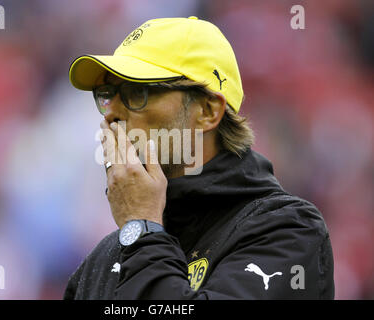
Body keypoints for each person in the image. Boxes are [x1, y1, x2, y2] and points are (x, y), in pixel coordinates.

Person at [64, 16, 334, 299]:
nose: (111, 114)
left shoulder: (288, 231)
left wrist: (141, 227)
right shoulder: (103, 261)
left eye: (137, 92)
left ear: (207, 111)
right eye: (107, 95)